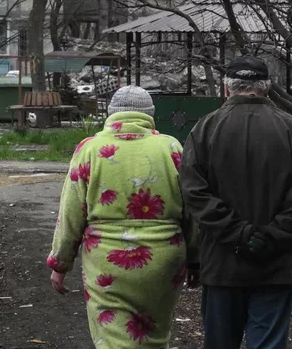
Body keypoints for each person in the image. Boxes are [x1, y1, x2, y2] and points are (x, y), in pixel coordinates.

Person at [180, 57, 292, 349]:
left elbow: (194, 192)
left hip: (222, 263)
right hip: (277, 263)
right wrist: (273, 235)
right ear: (267, 88)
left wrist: (238, 234)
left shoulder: (205, 129)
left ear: (226, 89)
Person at [46, 86, 187, 349]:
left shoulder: (90, 149)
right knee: (153, 336)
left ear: (111, 113)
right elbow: (191, 208)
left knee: (113, 339)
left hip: (108, 261)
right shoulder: (171, 147)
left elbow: (71, 212)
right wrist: (198, 261)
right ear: (150, 115)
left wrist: (60, 262)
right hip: (163, 259)